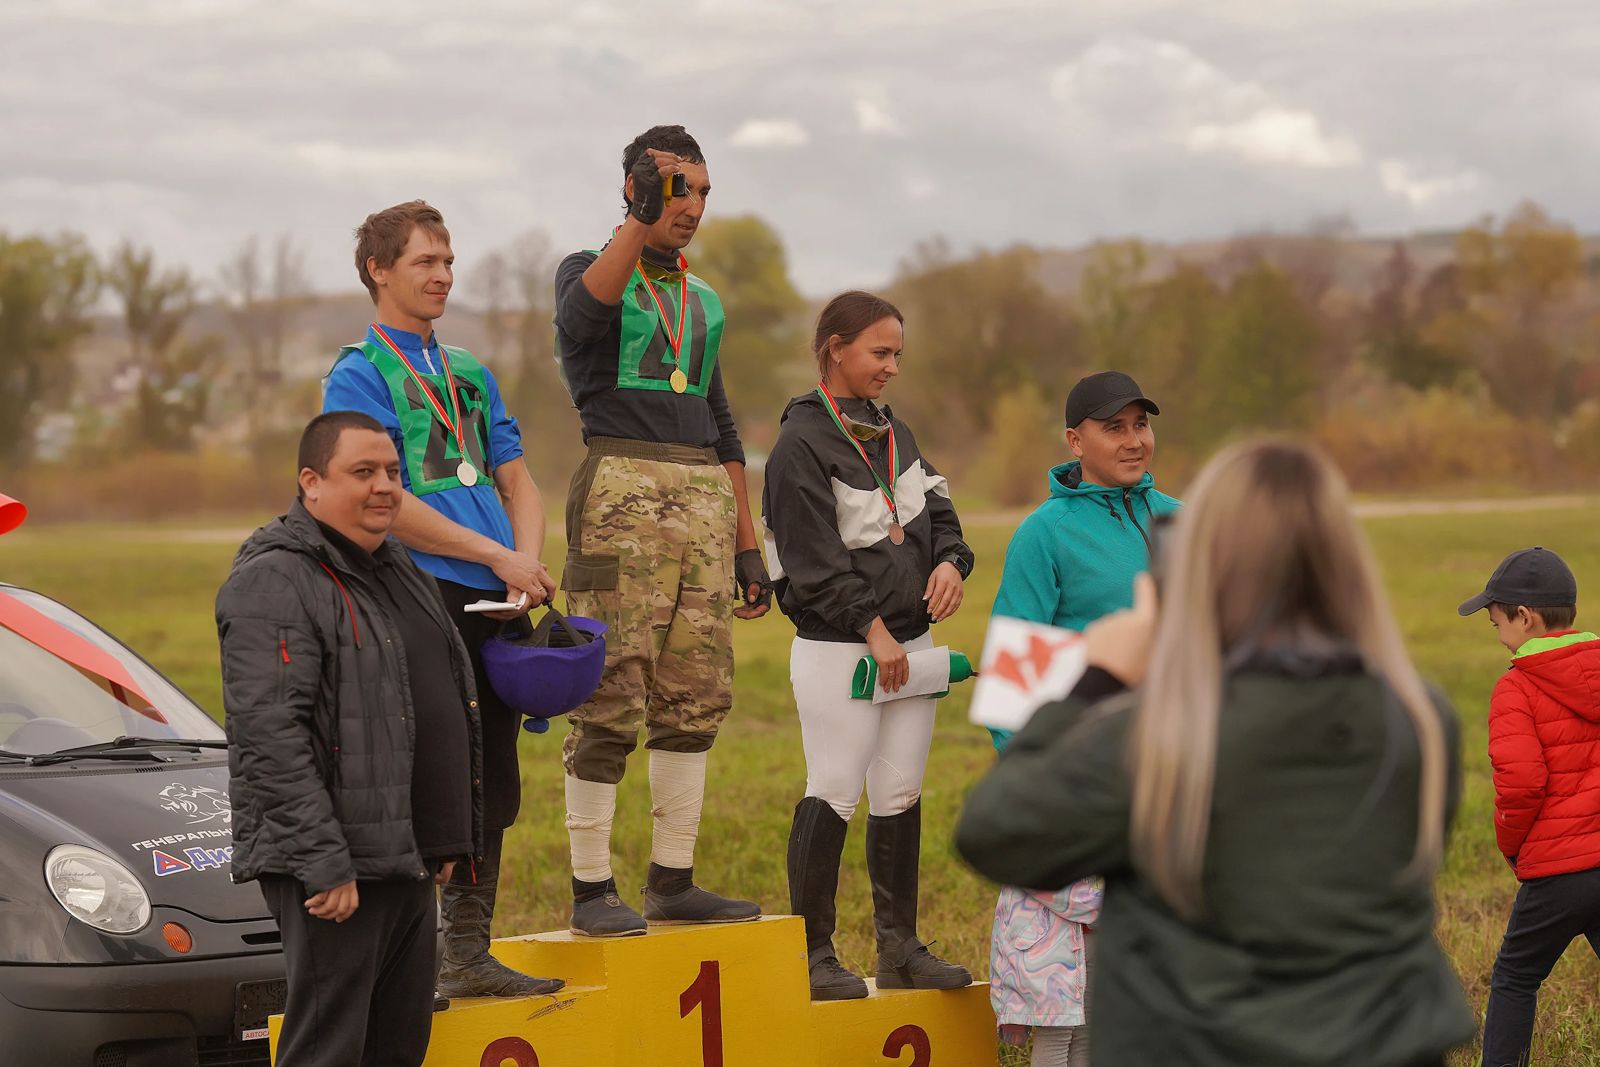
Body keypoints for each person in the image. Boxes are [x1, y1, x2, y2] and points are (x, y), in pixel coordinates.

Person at [955, 438, 1474, 1067]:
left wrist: (1102, 679)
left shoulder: (1165, 735)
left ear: (1206, 564)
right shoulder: (1420, 720)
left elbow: (996, 830)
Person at [322, 200, 562, 998]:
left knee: (492, 774)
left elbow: (518, 478)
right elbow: (382, 501)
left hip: (498, 595)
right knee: (429, 772)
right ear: (378, 271)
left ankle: (468, 954)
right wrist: (494, 551)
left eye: (450, 260)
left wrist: (522, 560)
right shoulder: (357, 373)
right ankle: (408, 965)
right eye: (426, 261)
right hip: (419, 592)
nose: (443, 275)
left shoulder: (470, 371)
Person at [553, 124, 768, 936]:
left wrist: (750, 541)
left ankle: (673, 879)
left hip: (705, 504)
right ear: (638, 188)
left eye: (705, 191)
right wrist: (638, 221)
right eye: (681, 189)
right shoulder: (589, 269)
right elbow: (581, 322)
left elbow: (722, 423)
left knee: (693, 694)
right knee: (610, 688)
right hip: (621, 498)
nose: (695, 206)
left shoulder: (701, 299)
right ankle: (589, 888)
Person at [216, 411, 483, 1066]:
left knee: (397, 1044)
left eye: (393, 472)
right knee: (328, 1049)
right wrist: (322, 860)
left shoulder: (393, 566)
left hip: (404, 855)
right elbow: (270, 732)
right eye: (362, 472)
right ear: (311, 482)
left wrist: (443, 836)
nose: (384, 486)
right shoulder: (274, 580)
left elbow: (429, 698)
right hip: (332, 867)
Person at [763, 290, 975, 1001]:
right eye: (880, 352)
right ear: (835, 348)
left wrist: (952, 561)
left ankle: (899, 949)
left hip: (910, 646)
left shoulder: (894, 433)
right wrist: (875, 631)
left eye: (897, 355)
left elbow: (938, 508)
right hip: (841, 650)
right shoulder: (799, 444)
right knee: (834, 787)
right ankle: (814, 953)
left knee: (900, 790)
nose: (891, 367)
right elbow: (814, 562)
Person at [986, 370, 1178, 1066]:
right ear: (1076, 439)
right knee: (1076, 990)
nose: (1134, 440)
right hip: (1085, 775)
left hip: (1175, 776)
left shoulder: (1182, 522)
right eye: (1114, 426)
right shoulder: (1046, 534)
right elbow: (1012, 682)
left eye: (1141, 424)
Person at [1459, 548, 1600, 1067]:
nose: (1498, 635)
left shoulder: (1515, 688)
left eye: (1497, 623)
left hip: (1558, 870)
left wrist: (1514, 847)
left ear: (1526, 617)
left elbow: (1521, 784)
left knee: (1516, 976)